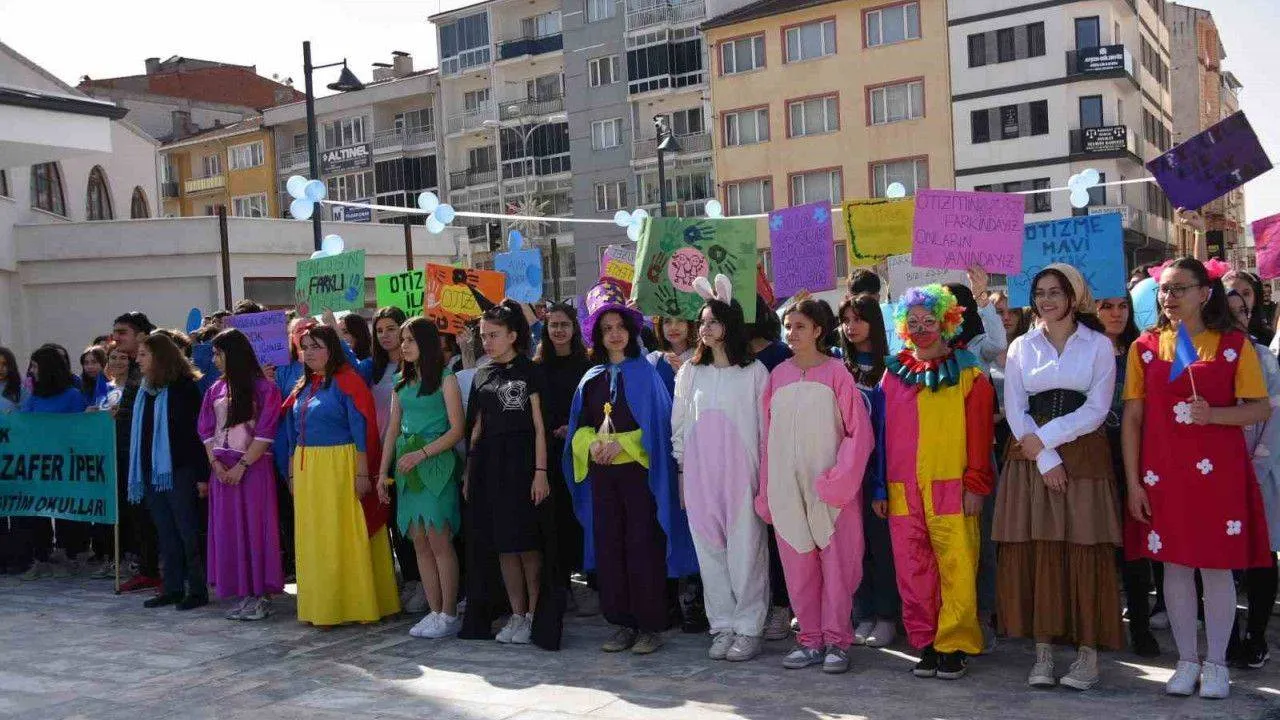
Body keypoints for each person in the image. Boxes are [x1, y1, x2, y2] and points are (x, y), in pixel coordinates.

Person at [1122, 257, 1272, 699]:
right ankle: (1186, 660)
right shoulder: (1144, 347)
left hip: (1219, 475)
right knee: (1175, 565)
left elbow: (1259, 409)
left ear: (1204, 293)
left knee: (1217, 567)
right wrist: (1133, 482)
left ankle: (1218, 663)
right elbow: (1133, 419)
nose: (1168, 297)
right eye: (1164, 289)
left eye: (1179, 288)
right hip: (1162, 474)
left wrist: (1215, 415)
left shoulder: (1234, 344)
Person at [994, 265, 1122, 690]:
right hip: (1030, 458)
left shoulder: (1099, 344)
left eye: (1055, 292)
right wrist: (1044, 458)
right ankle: (1043, 653)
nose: (1046, 300)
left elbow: (1098, 408)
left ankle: (1088, 655)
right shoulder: (1020, 346)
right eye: (1040, 292)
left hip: (1082, 454)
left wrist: (1045, 442)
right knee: (1039, 550)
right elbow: (1015, 406)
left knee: (1084, 548)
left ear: (1073, 296)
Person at [566, 291, 699, 655]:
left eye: (620, 327)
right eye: (607, 328)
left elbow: (658, 426)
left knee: (643, 547)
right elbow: (579, 427)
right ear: (598, 335)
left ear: (631, 331)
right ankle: (622, 624)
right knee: (610, 547)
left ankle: (650, 626)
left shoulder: (646, 374)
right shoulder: (590, 378)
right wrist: (592, 444)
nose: (614, 334)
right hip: (603, 479)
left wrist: (622, 445)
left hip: (640, 481)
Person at [882, 284, 994, 680]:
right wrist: (879, 487)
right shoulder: (892, 374)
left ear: (946, 322)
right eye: (913, 323)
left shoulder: (970, 374)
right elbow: (881, 434)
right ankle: (927, 642)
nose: (921, 329)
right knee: (912, 570)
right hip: (902, 489)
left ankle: (955, 644)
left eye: (929, 321)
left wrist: (975, 485)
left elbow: (980, 436)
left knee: (957, 567)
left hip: (952, 486)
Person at [758, 297, 872, 674]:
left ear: (818, 331)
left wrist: (839, 481)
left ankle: (837, 640)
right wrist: (768, 488)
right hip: (787, 491)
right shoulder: (778, 376)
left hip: (831, 491)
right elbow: (767, 437)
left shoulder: (837, 373)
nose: (792, 333)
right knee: (797, 567)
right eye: (788, 327)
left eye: (800, 327)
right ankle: (809, 639)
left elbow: (859, 433)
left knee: (838, 566)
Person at [671, 276, 770, 662]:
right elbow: (679, 425)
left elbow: (765, 430)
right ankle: (723, 625)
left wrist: (764, 481)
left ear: (730, 324)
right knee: (710, 553)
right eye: (702, 322)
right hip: (700, 478)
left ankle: (748, 628)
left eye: (713, 321)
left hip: (742, 477)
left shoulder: (754, 372)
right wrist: (683, 473)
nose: (705, 328)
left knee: (746, 551)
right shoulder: (691, 372)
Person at [282, 324, 399, 626]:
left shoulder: (348, 382)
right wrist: (293, 475)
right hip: (309, 471)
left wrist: (362, 474)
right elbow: (294, 435)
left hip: (340, 467)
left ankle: (355, 605)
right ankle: (323, 606)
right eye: (305, 347)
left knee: (343, 534)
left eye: (316, 346)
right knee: (317, 537)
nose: (309, 353)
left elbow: (362, 430)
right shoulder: (303, 386)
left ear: (332, 349)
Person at [459, 301, 560, 648]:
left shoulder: (531, 371)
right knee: (503, 546)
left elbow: (540, 427)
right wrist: (470, 473)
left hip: (525, 467)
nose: (486, 342)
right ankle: (516, 614)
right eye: (483, 335)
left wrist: (541, 472)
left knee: (528, 546)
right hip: (491, 467)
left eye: (494, 335)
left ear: (513, 335)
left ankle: (533, 614)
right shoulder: (482, 374)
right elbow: (475, 428)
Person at [377, 317, 465, 640]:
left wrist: (423, 454)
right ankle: (435, 609)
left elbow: (457, 429)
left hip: (436, 464)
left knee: (439, 540)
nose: (404, 346)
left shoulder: (446, 379)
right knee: (419, 542)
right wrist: (382, 472)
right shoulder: (400, 382)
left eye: (410, 340)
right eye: (403, 340)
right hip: (406, 469)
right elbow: (392, 430)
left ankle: (449, 612)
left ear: (426, 343)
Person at [198, 328, 284, 621]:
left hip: (253, 470)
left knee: (255, 530)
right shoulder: (215, 389)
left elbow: (265, 432)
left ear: (232, 354)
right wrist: (216, 465)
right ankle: (244, 593)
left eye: (218, 353)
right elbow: (206, 430)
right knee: (230, 531)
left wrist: (242, 466)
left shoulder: (265, 388)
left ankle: (261, 595)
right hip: (222, 472)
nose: (214, 359)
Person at [1096, 293, 1161, 658]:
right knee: (1096, 545)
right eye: (1107, 306)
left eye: (1123, 306)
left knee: (1134, 548)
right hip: (1090, 458)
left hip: (1133, 458)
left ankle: (1140, 627)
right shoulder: (1079, 349)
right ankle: (1097, 625)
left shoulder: (1142, 349)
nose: (1116, 313)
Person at [126, 333, 210, 610]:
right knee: (165, 533)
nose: (138, 360)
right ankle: (172, 587)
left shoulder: (184, 388)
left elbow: (196, 435)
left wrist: (202, 476)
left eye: (143, 355)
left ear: (159, 357)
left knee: (188, 533)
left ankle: (197, 590)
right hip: (152, 473)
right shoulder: (143, 390)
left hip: (180, 471)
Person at [837, 293, 897, 649]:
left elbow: (889, 431)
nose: (851, 326)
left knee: (881, 547)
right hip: (845, 475)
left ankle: (887, 616)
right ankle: (862, 613)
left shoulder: (893, 368)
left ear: (874, 321)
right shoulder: (837, 366)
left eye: (858, 318)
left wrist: (880, 486)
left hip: (880, 473)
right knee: (852, 547)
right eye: (846, 320)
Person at [1225, 290, 1279, 670]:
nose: (1237, 318)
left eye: (1243, 311)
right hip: (1217, 475)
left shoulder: (1263, 357)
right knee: (1221, 560)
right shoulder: (1204, 358)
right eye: (1228, 312)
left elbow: (1274, 417)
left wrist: (1254, 470)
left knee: (1262, 554)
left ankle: (1256, 636)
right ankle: (1226, 637)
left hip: (1261, 473)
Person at [360, 307, 423, 614]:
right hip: (381, 455)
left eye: (391, 328)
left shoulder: (418, 366)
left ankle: (423, 581)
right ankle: (409, 578)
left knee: (414, 521)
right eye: (379, 330)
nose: (385, 335)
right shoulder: (372, 368)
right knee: (394, 519)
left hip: (412, 452)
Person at [533, 302, 593, 607]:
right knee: (554, 520)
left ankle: (591, 582)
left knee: (582, 516)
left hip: (582, 451)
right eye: (553, 325)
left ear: (574, 328)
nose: (558, 330)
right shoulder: (537, 367)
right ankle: (561, 587)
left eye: (564, 324)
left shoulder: (588, 364)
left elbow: (596, 407)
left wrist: (574, 428)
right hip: (548, 452)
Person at [14, 346, 90, 580]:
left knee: (66, 510)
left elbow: (79, 428)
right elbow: (24, 424)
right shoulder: (34, 396)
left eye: (36, 366)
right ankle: (41, 558)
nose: (32, 371)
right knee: (37, 511)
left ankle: (69, 555)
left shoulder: (72, 395)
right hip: (38, 464)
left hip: (65, 463)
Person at [745, 293, 795, 640]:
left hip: (776, 456)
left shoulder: (780, 355)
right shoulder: (729, 359)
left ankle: (782, 605)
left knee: (779, 537)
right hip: (741, 458)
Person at [113, 312, 163, 593]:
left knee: (155, 515)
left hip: (150, 454)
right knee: (137, 515)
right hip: (128, 452)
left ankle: (164, 572)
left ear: (142, 335)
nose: (116, 338)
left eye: (122, 332)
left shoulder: (155, 366)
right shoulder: (131, 366)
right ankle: (147, 570)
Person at [1224, 269, 1275, 346]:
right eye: (1233, 293)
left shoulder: (1267, 337)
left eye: (1246, 293)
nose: (1239, 299)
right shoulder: (1214, 334)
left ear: (1255, 298)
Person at [649, 316, 697, 395]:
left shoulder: (702, 358)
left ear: (689, 325)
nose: (673, 327)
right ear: (661, 327)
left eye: (680, 320)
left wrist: (684, 375)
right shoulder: (653, 359)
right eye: (667, 321)